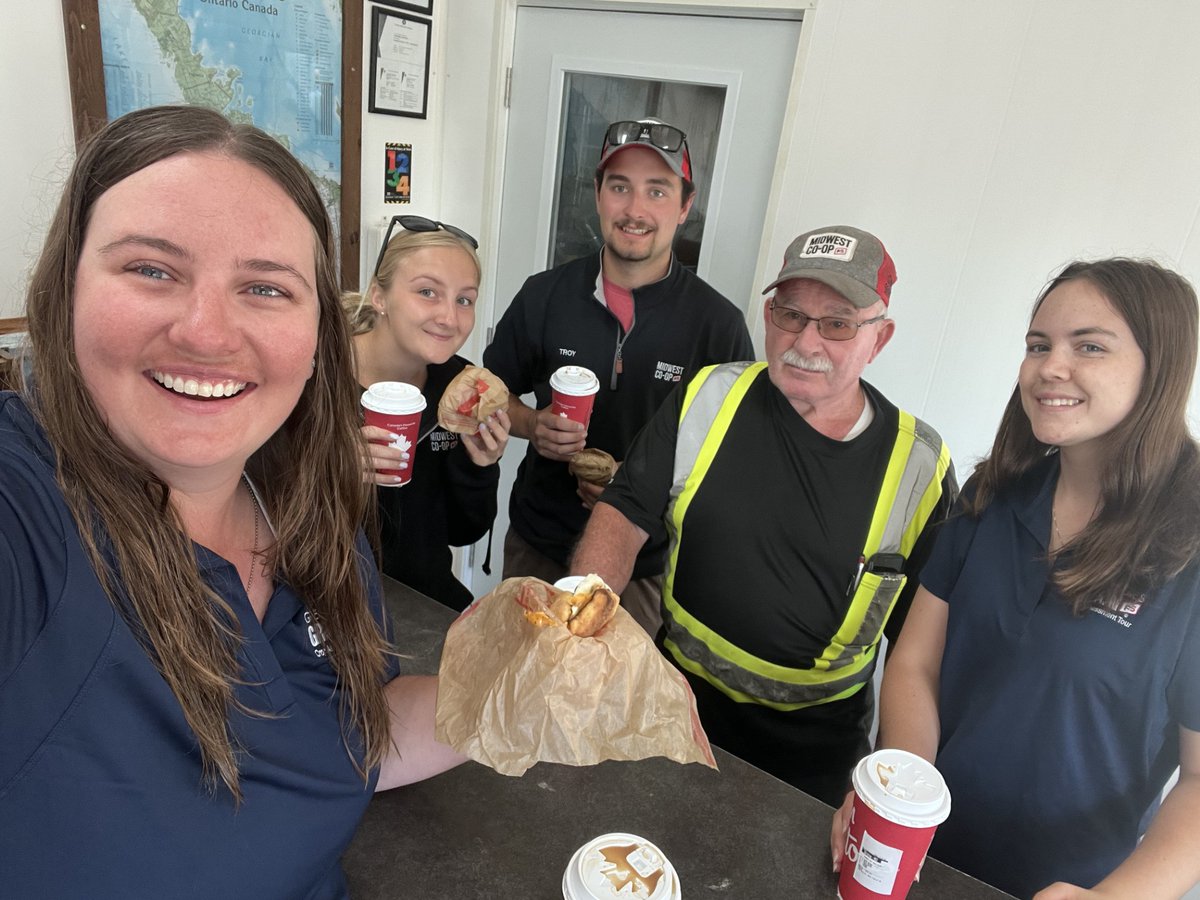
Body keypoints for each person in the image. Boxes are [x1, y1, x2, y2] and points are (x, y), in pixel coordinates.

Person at [0, 105, 465, 898]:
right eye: (151, 269)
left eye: (264, 287)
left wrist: (504, 690)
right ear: (65, 285)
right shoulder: (29, 519)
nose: (207, 333)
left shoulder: (309, 503)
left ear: (322, 330)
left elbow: (359, 735)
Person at [832, 258, 1200, 899]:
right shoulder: (994, 496)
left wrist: (1114, 898)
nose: (1050, 367)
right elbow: (917, 661)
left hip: (1070, 886)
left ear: (1160, 366)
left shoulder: (1187, 549)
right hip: (925, 856)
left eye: (1089, 346)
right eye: (1039, 346)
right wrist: (901, 792)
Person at [570, 225, 957, 805]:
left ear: (879, 339)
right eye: (790, 314)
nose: (806, 340)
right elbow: (624, 512)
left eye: (838, 323)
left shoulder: (919, 465)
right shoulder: (708, 395)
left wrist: (894, 789)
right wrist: (578, 622)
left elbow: (917, 652)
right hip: (674, 703)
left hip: (813, 754)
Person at [483, 117, 754, 635]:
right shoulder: (544, 295)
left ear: (684, 206)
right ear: (598, 196)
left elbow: (732, 464)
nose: (635, 210)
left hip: (644, 568)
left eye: (657, 190)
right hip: (538, 547)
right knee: (522, 698)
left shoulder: (717, 325)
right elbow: (490, 395)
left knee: (616, 713)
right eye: (620, 187)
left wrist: (642, 487)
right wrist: (532, 424)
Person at [345, 216, 509, 610]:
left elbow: (463, 531)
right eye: (428, 292)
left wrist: (481, 466)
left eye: (464, 300)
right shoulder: (315, 376)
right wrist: (330, 466)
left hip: (426, 606)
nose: (450, 318)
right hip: (325, 611)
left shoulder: (460, 388)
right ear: (379, 296)